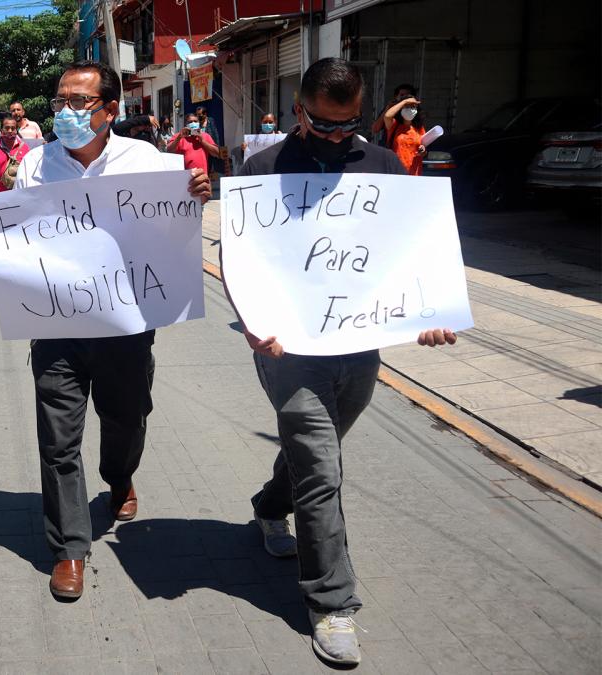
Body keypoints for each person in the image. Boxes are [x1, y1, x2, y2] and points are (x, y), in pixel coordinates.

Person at [228, 58, 458, 667]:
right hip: (288, 349)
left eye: (349, 124)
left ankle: (269, 507)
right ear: (300, 111)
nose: (338, 136)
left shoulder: (384, 168)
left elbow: (411, 254)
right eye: (325, 125)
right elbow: (241, 258)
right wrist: (254, 322)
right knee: (322, 464)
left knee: (316, 452)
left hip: (359, 346)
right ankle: (332, 602)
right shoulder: (263, 170)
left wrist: (428, 314)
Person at [0, 60, 213, 601]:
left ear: (109, 109)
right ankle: (69, 548)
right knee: (58, 441)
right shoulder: (36, 164)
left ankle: (119, 475)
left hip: (126, 325)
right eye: (60, 102)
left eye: (79, 102)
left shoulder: (146, 160)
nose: (67, 112)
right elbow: (17, 232)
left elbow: (176, 218)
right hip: (55, 326)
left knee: (127, 417)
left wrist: (195, 192)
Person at [382, 92, 427, 175]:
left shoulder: (419, 128)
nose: (410, 109)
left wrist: (423, 151)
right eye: (407, 106)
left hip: (414, 173)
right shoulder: (394, 125)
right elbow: (387, 116)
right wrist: (404, 102)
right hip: (396, 172)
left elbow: (423, 149)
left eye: (413, 106)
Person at [0, 115, 30, 193]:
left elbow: (29, 170)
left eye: (13, 128)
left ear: (16, 131)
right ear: (1, 131)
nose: (10, 131)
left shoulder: (24, 148)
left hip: (19, 193)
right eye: (7, 128)